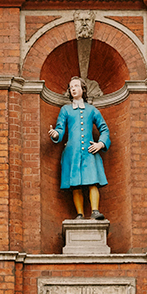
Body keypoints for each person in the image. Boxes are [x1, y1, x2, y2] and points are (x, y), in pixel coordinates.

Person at [49, 76, 110, 220]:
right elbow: (60, 128)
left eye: (76, 86)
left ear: (83, 89)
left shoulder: (91, 110)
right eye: (71, 87)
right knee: (75, 184)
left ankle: (95, 211)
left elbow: (104, 129)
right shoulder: (66, 110)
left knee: (92, 181)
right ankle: (80, 213)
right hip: (72, 152)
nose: (73, 89)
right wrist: (56, 134)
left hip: (89, 152)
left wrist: (100, 143)